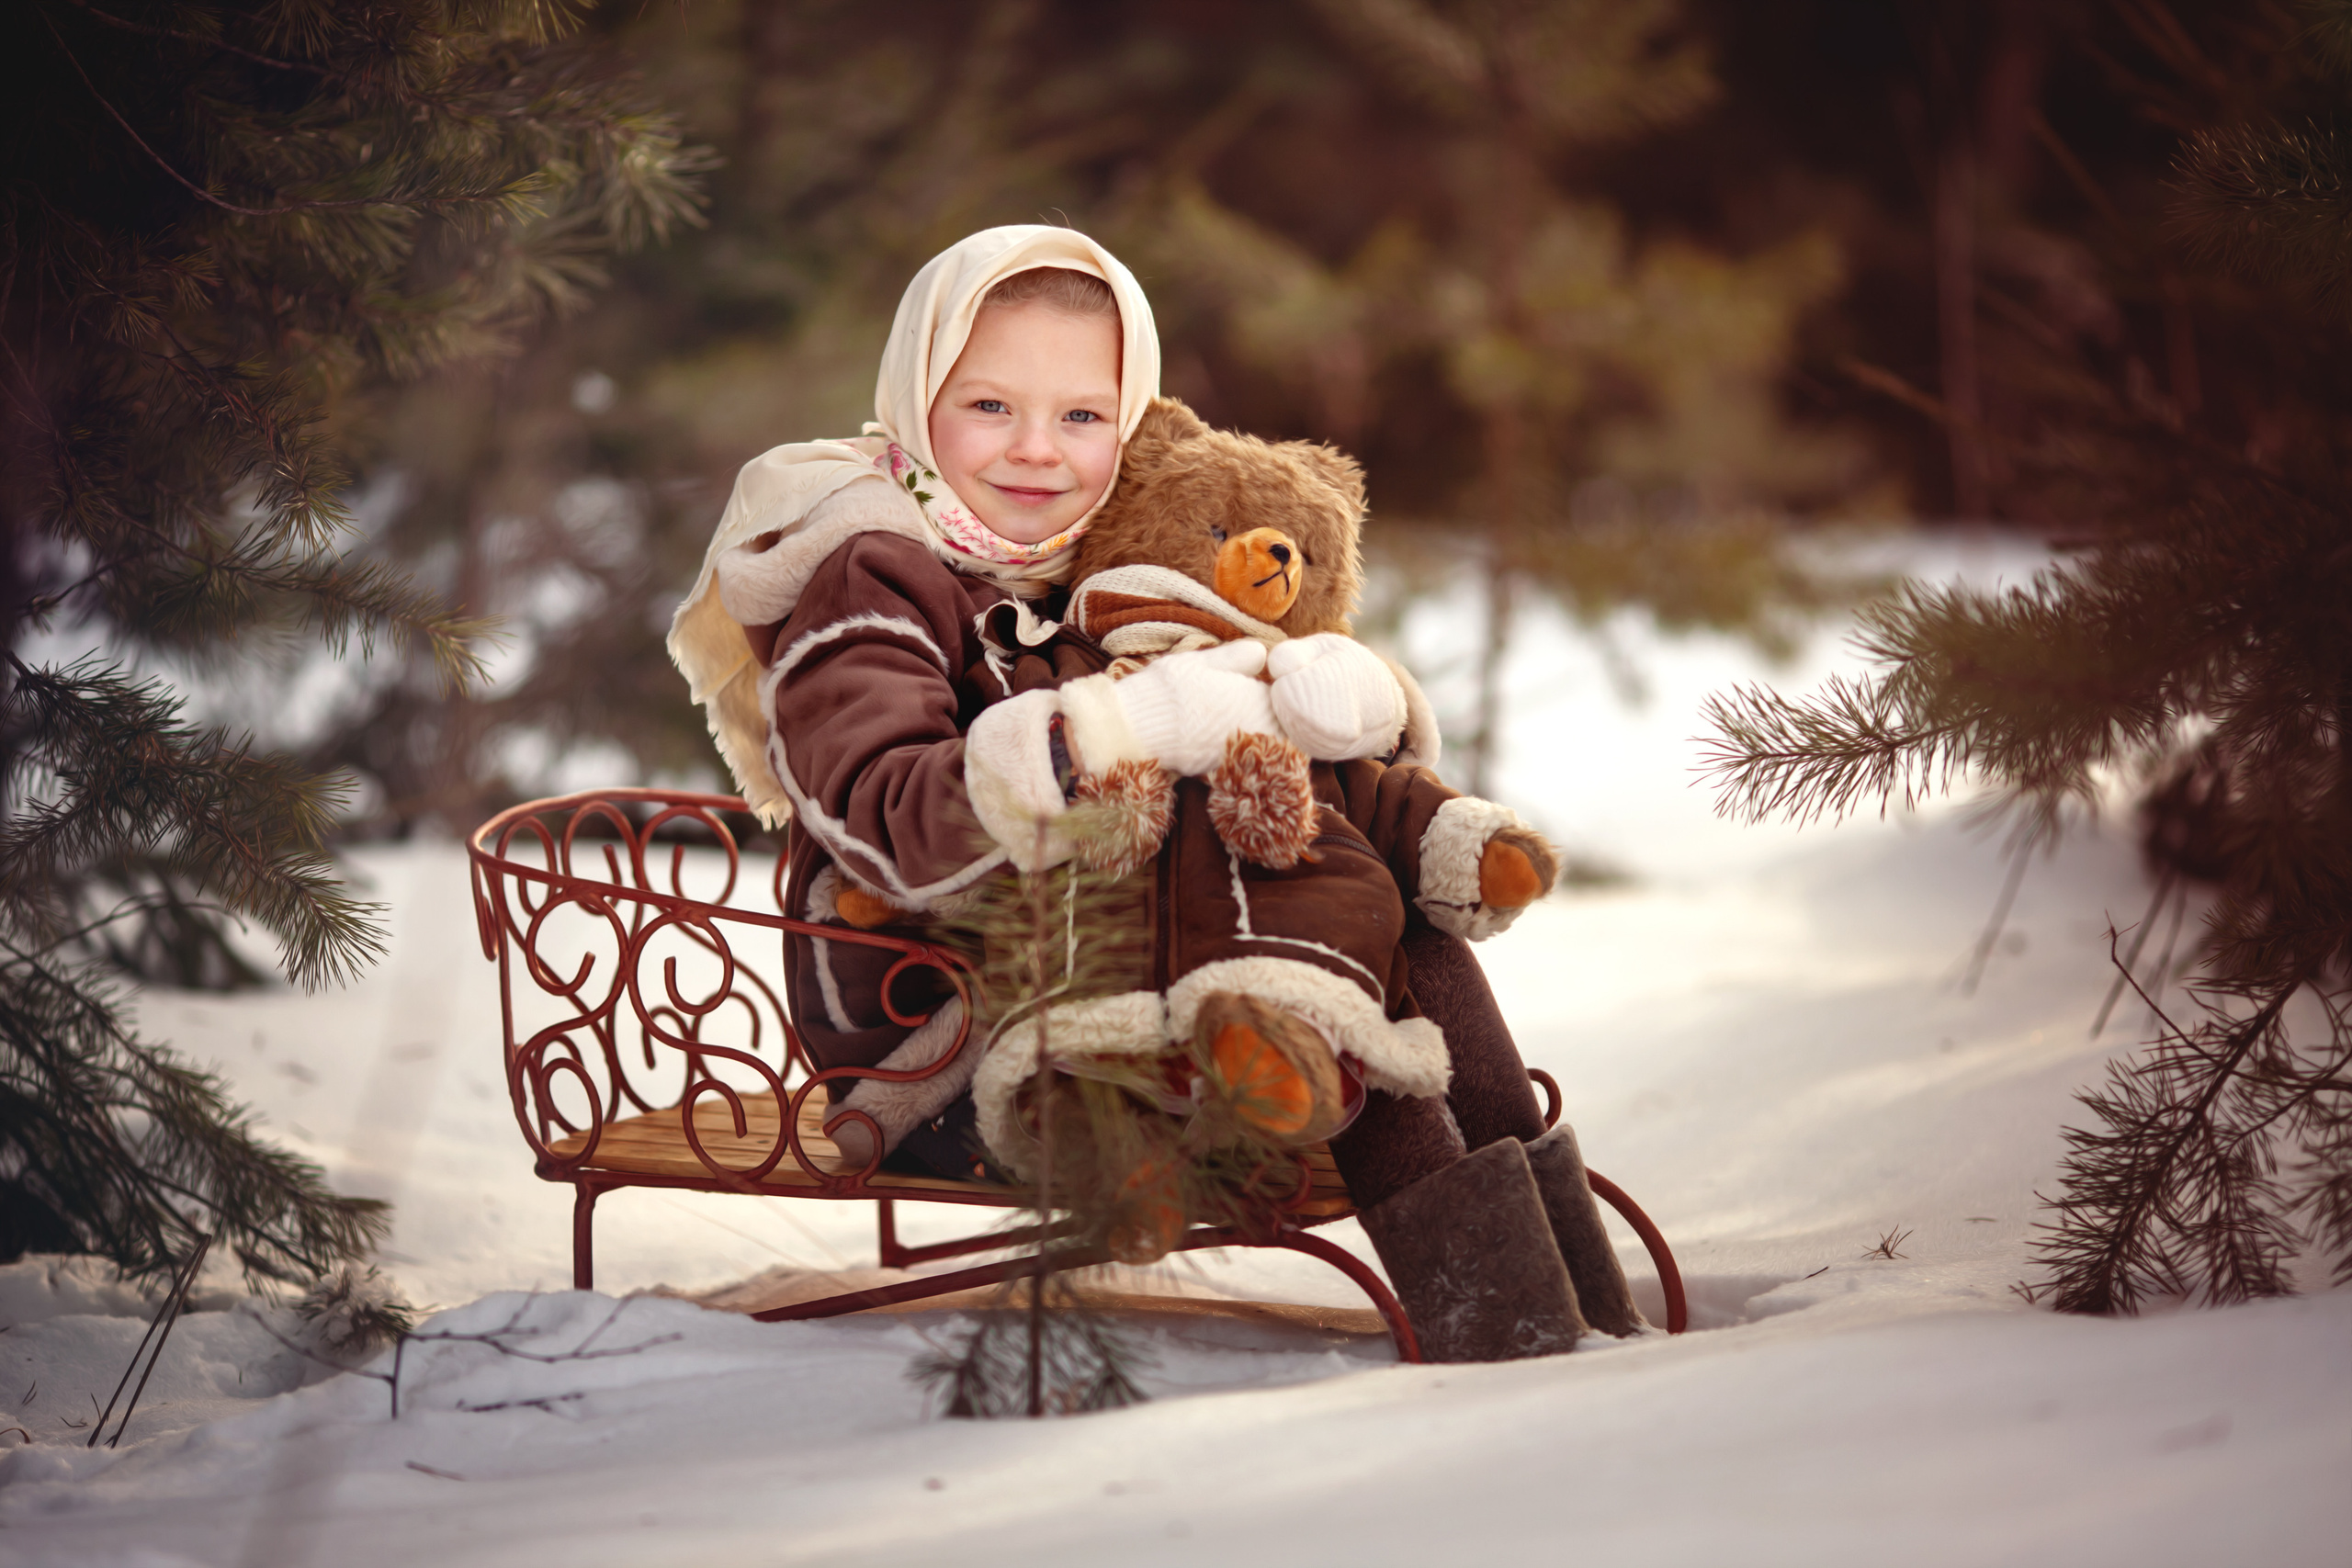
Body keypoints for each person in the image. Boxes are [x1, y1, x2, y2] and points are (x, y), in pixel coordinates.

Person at [670, 227, 1641, 1356]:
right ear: (914, 393)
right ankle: (1509, 1325)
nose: (1037, 451)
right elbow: (887, 817)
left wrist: (1314, 699)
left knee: (1381, 913)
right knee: (1345, 955)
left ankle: (1561, 1300)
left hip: (1107, 968)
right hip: (930, 1035)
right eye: (988, 405)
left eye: (1083, 415)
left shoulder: (1090, 554)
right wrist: (1134, 725)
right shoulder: (869, 566)